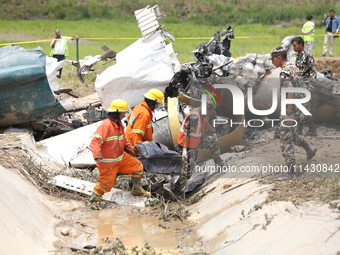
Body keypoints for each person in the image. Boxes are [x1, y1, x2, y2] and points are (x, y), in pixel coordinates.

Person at [89, 99, 150, 209]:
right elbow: (95, 141)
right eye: (124, 112)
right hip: (108, 163)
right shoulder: (106, 126)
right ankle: (93, 201)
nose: (125, 114)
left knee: (137, 166)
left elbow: (123, 138)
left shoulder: (119, 124)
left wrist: (128, 147)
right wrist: (97, 155)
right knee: (106, 185)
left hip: (120, 158)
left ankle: (136, 189)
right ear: (118, 113)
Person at [270, 47, 317, 179]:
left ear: (279, 58)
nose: (272, 62)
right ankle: (308, 147)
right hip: (300, 108)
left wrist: (289, 113)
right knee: (286, 134)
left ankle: (291, 173)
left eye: (273, 59)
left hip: (291, 110)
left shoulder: (285, 72)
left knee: (285, 141)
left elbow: (289, 92)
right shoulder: (295, 68)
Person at [174, 99, 224, 196]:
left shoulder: (202, 114)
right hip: (186, 146)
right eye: (210, 111)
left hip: (195, 143)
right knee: (188, 171)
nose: (210, 113)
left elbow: (205, 123)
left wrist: (213, 131)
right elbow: (186, 133)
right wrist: (184, 151)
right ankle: (177, 190)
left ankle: (219, 163)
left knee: (212, 140)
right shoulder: (194, 117)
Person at [291, 37, 317, 136]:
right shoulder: (298, 56)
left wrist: (311, 86)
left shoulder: (308, 55)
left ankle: (306, 129)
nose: (293, 48)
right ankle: (307, 129)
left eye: (295, 46)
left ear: (301, 45)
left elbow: (313, 72)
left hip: (306, 84)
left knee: (303, 107)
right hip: (299, 84)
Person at [125, 89, 164, 155]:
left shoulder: (138, 107)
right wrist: (140, 151)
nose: (157, 106)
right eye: (157, 104)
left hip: (130, 143)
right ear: (152, 102)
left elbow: (129, 119)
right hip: (134, 149)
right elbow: (137, 134)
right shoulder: (144, 114)